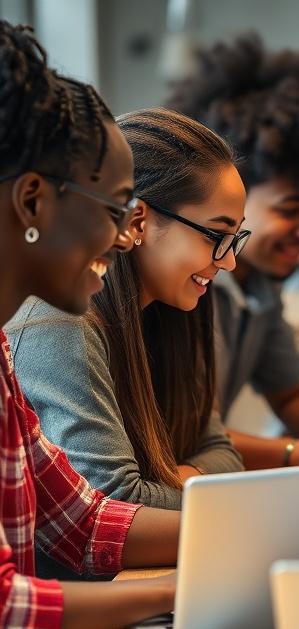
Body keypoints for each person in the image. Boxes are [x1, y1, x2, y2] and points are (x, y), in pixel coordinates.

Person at [0, 22, 178, 629]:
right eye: (116, 207)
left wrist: (257, 537)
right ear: (34, 201)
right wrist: (178, 590)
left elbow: (80, 520)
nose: (127, 234)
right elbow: (5, 613)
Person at [7, 108, 246, 510]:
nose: (229, 262)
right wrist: (194, 482)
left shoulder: (173, 311)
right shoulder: (60, 321)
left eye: (235, 238)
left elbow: (223, 452)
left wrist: (186, 481)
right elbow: (112, 504)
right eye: (216, 236)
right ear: (137, 221)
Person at [165, 35, 299, 469]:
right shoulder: (181, 287)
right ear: (232, 199)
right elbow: (181, 431)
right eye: (291, 209)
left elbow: (292, 391)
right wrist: (297, 454)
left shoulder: (259, 285)